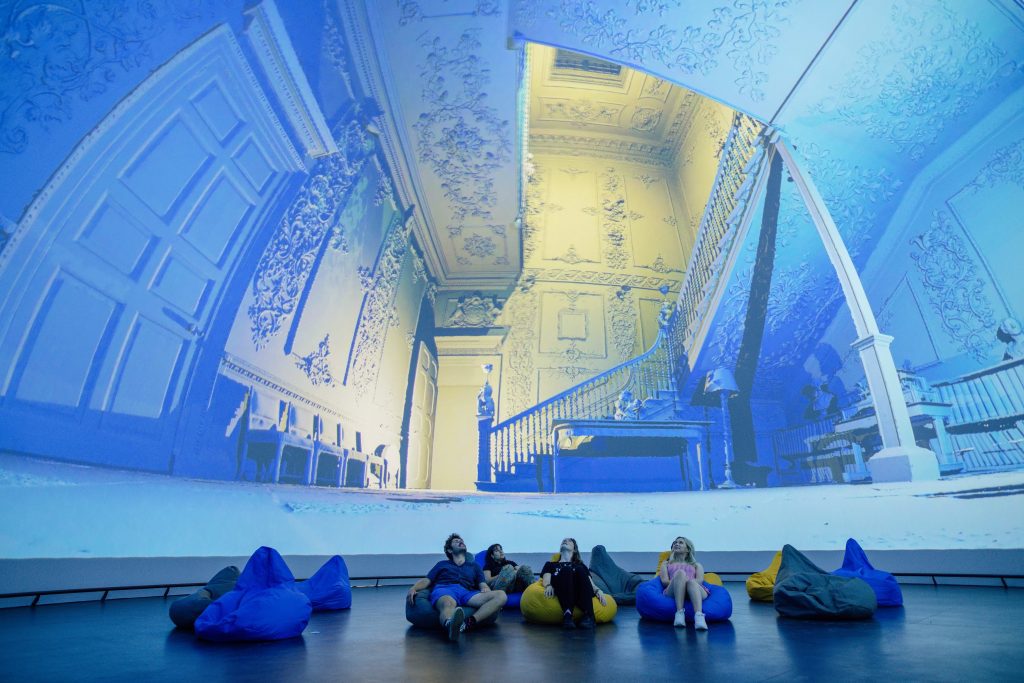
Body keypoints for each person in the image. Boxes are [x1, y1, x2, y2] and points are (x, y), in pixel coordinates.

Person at [407, 533, 507, 641]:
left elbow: (482, 583)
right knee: (448, 603)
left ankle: (468, 623)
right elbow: (427, 580)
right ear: (450, 550)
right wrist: (414, 588)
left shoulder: (475, 566)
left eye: (461, 540)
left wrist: (486, 589)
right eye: (456, 541)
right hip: (445, 589)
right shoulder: (442, 564)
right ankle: (450, 626)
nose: (460, 541)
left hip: (466, 593)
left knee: (501, 595)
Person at [541, 538, 606, 629]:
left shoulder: (580, 565)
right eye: (563, 540)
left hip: (580, 592)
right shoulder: (550, 564)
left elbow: (589, 583)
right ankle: (568, 615)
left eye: (569, 541)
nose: (565, 541)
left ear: (574, 549)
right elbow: (546, 579)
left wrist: (597, 590)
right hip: (564, 591)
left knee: (579, 569)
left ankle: (589, 616)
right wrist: (548, 585)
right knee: (566, 569)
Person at [659, 536, 710, 630]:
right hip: (674, 590)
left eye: (680, 542)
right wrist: (680, 581)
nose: (676, 544)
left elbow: (699, 581)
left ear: (688, 549)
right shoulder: (666, 564)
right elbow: (665, 582)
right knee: (680, 573)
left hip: (694, 589)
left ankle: (699, 617)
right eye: (675, 543)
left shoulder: (696, 565)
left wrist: (686, 582)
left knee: (691, 582)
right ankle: (679, 613)